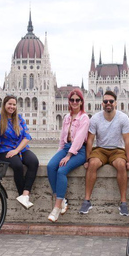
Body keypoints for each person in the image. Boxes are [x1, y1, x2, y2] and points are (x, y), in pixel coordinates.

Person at [79, 91, 129, 216]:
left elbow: (127, 141)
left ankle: (123, 203)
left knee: (121, 165)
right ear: (102, 103)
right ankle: (87, 201)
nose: (108, 103)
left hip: (117, 150)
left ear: (115, 103)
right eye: (105, 101)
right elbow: (90, 140)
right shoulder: (95, 118)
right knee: (93, 164)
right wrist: (87, 160)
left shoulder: (123, 118)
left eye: (110, 101)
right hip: (100, 149)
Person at [0, 95, 39, 209]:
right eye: (9, 104)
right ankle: (21, 194)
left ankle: (25, 195)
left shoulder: (19, 118)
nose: (12, 107)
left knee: (34, 162)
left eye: (14, 104)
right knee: (18, 166)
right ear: (4, 105)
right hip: (4, 150)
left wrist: (16, 150)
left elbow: (27, 136)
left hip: (20, 148)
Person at [46, 89, 89, 222]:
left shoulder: (84, 118)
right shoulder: (66, 117)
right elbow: (62, 137)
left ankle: (57, 207)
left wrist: (68, 156)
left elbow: (80, 138)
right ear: (69, 102)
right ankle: (61, 198)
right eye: (72, 100)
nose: (75, 102)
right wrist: (60, 152)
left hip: (79, 151)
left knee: (61, 171)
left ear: (81, 102)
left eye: (77, 100)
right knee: (50, 166)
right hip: (66, 148)